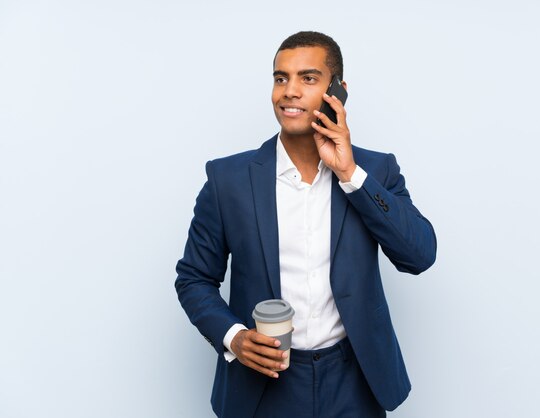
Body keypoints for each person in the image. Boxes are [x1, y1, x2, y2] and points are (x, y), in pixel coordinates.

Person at [175, 31, 437, 418]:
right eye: (281, 78)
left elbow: (419, 255)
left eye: (308, 78)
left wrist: (350, 174)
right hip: (266, 383)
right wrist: (235, 338)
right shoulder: (227, 180)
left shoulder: (375, 170)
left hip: (355, 380)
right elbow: (194, 278)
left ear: (338, 90)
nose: (289, 92)